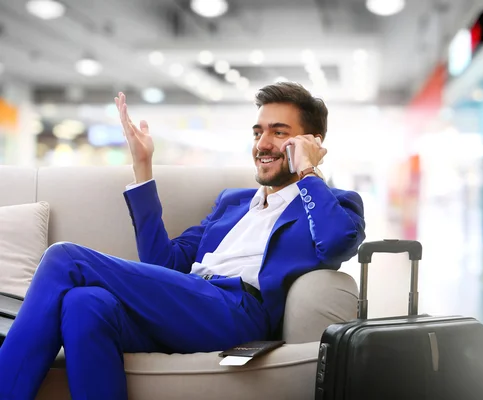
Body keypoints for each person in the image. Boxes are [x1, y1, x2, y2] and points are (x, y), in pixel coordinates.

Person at [0, 82, 366, 400]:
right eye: (258, 132)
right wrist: (143, 167)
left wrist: (307, 172)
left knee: (65, 259)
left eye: (279, 132)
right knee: (85, 303)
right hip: (191, 299)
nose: (263, 144)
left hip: (237, 311)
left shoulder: (331, 203)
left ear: (311, 142)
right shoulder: (233, 203)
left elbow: (337, 244)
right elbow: (164, 264)